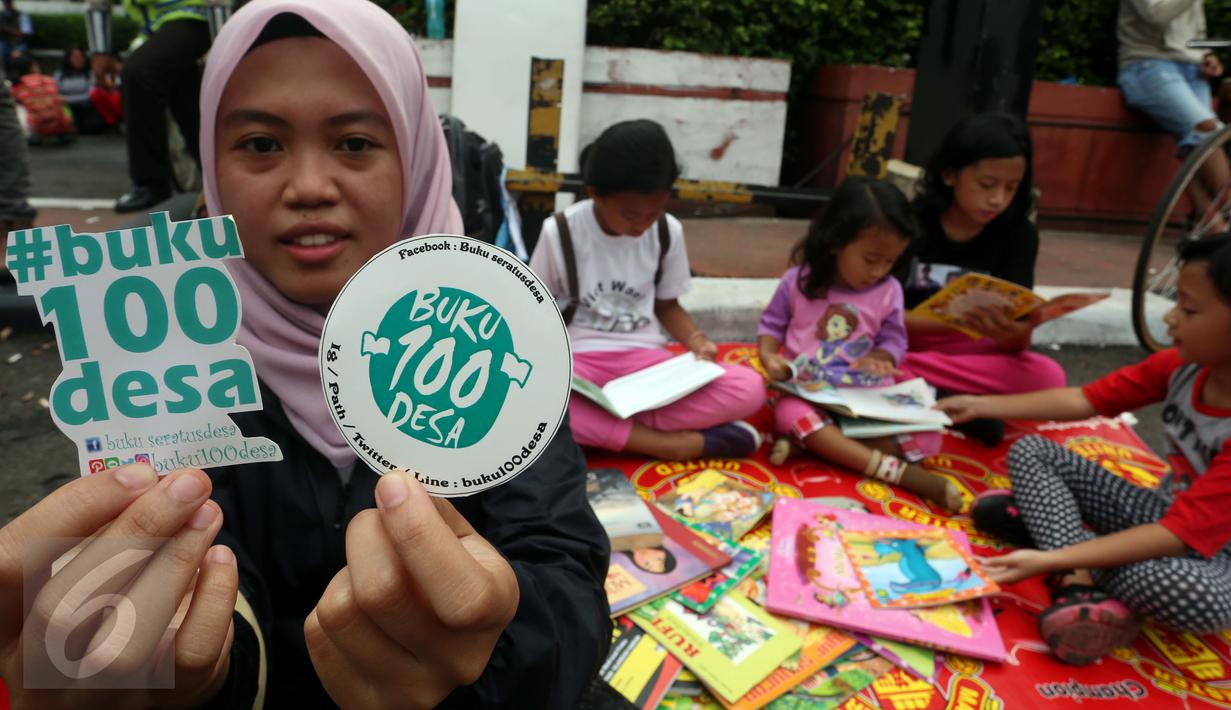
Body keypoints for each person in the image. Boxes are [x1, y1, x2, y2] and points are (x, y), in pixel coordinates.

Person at [0, 2, 611, 707]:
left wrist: (486, 651)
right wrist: (179, 669)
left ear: (416, 158)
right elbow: (193, 596)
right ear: (213, 167)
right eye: (261, 143)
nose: (310, 188)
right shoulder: (159, 365)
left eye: (354, 142)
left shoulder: (490, 333)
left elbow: (567, 576)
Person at [938, 234, 1231, 667]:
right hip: (1164, 514)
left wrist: (1052, 557)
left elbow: (1177, 537)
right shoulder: (1182, 367)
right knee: (1033, 451)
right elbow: (1086, 399)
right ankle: (1079, 571)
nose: (1170, 319)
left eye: (1188, 310)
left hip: (1214, 559)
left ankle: (1066, 551)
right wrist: (981, 405)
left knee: (1182, 591)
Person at [529, 119, 765, 461]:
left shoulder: (668, 231)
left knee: (750, 388)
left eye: (654, 213)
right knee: (529, 394)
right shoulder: (560, 232)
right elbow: (536, 311)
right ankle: (669, 444)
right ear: (595, 194)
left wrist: (697, 340)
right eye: (631, 215)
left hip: (646, 368)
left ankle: (606, 429)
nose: (643, 224)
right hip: (579, 364)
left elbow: (667, 305)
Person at [758, 177, 961, 513]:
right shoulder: (799, 281)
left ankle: (818, 446)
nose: (879, 271)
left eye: (890, 261)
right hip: (809, 392)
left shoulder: (889, 290)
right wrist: (768, 356)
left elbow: (894, 337)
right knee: (790, 414)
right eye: (870, 259)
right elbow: (772, 325)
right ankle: (902, 475)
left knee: (929, 437)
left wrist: (881, 356)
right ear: (835, 241)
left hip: (866, 394)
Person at [898, 112, 1066, 445]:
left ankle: (922, 389)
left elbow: (1015, 343)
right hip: (904, 341)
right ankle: (956, 399)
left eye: (1011, 188)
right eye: (987, 185)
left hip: (970, 354)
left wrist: (1016, 333)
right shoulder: (910, 224)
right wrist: (951, 324)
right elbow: (881, 315)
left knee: (1049, 376)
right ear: (950, 175)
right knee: (868, 353)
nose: (998, 199)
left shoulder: (1019, 236)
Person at [85, 0, 233, 212]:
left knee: (139, 72)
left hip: (200, 16)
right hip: (158, 26)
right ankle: (218, 175)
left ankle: (152, 184)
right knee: (188, 100)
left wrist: (223, 45)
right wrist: (100, 50)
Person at [1118, 0, 1230, 227]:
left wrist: (1206, 55)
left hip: (1193, 70)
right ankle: (1221, 220)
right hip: (1146, 65)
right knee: (1208, 129)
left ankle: (1213, 228)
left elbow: (1197, 31)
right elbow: (1156, 15)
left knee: (1198, 144)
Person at [56, 46, 120, 134]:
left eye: (81, 56)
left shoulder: (91, 74)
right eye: (74, 56)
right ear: (68, 59)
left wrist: (66, 99)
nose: (78, 59)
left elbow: (91, 94)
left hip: (86, 108)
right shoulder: (59, 75)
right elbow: (55, 92)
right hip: (66, 108)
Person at [0, 0, 30, 74]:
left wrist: (7, 29)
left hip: (18, 44)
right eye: (5, 2)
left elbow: (26, 33)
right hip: (4, 44)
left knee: (20, 59)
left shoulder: (21, 15)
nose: (6, 3)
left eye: (8, 1)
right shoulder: (1, 15)